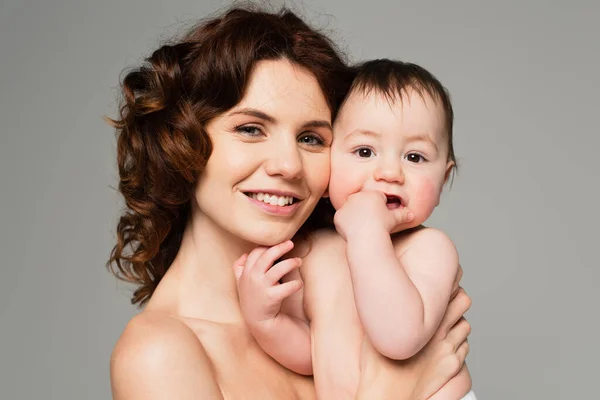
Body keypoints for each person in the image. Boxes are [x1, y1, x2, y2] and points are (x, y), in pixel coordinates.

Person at [107, 6, 472, 399]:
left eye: (311, 138)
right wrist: (393, 390)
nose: (288, 165)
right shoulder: (160, 354)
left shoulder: (345, 282)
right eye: (251, 129)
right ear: (182, 141)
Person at [235, 59, 476, 399]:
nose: (390, 172)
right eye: (365, 151)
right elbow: (315, 356)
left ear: (444, 177)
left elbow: (400, 338)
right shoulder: (313, 250)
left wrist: (368, 233)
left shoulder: (429, 248)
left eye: (415, 157)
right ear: (330, 159)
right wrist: (266, 321)